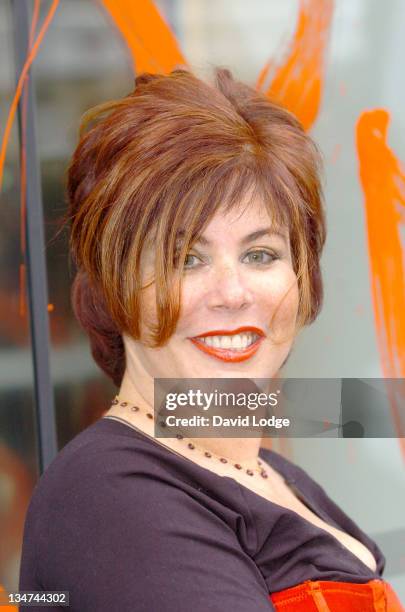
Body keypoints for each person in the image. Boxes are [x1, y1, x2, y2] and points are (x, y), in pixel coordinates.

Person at [19, 67, 404, 611]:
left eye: (261, 254)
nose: (232, 293)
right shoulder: (109, 496)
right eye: (186, 259)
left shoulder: (275, 477)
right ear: (115, 284)